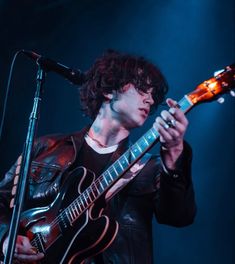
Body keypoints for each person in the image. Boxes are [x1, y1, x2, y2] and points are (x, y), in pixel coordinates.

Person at [0, 50, 196, 263]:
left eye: (152, 94)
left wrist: (175, 152)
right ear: (109, 90)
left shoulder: (151, 167)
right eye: (141, 88)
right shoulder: (46, 147)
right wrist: (6, 238)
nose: (149, 99)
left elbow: (179, 217)